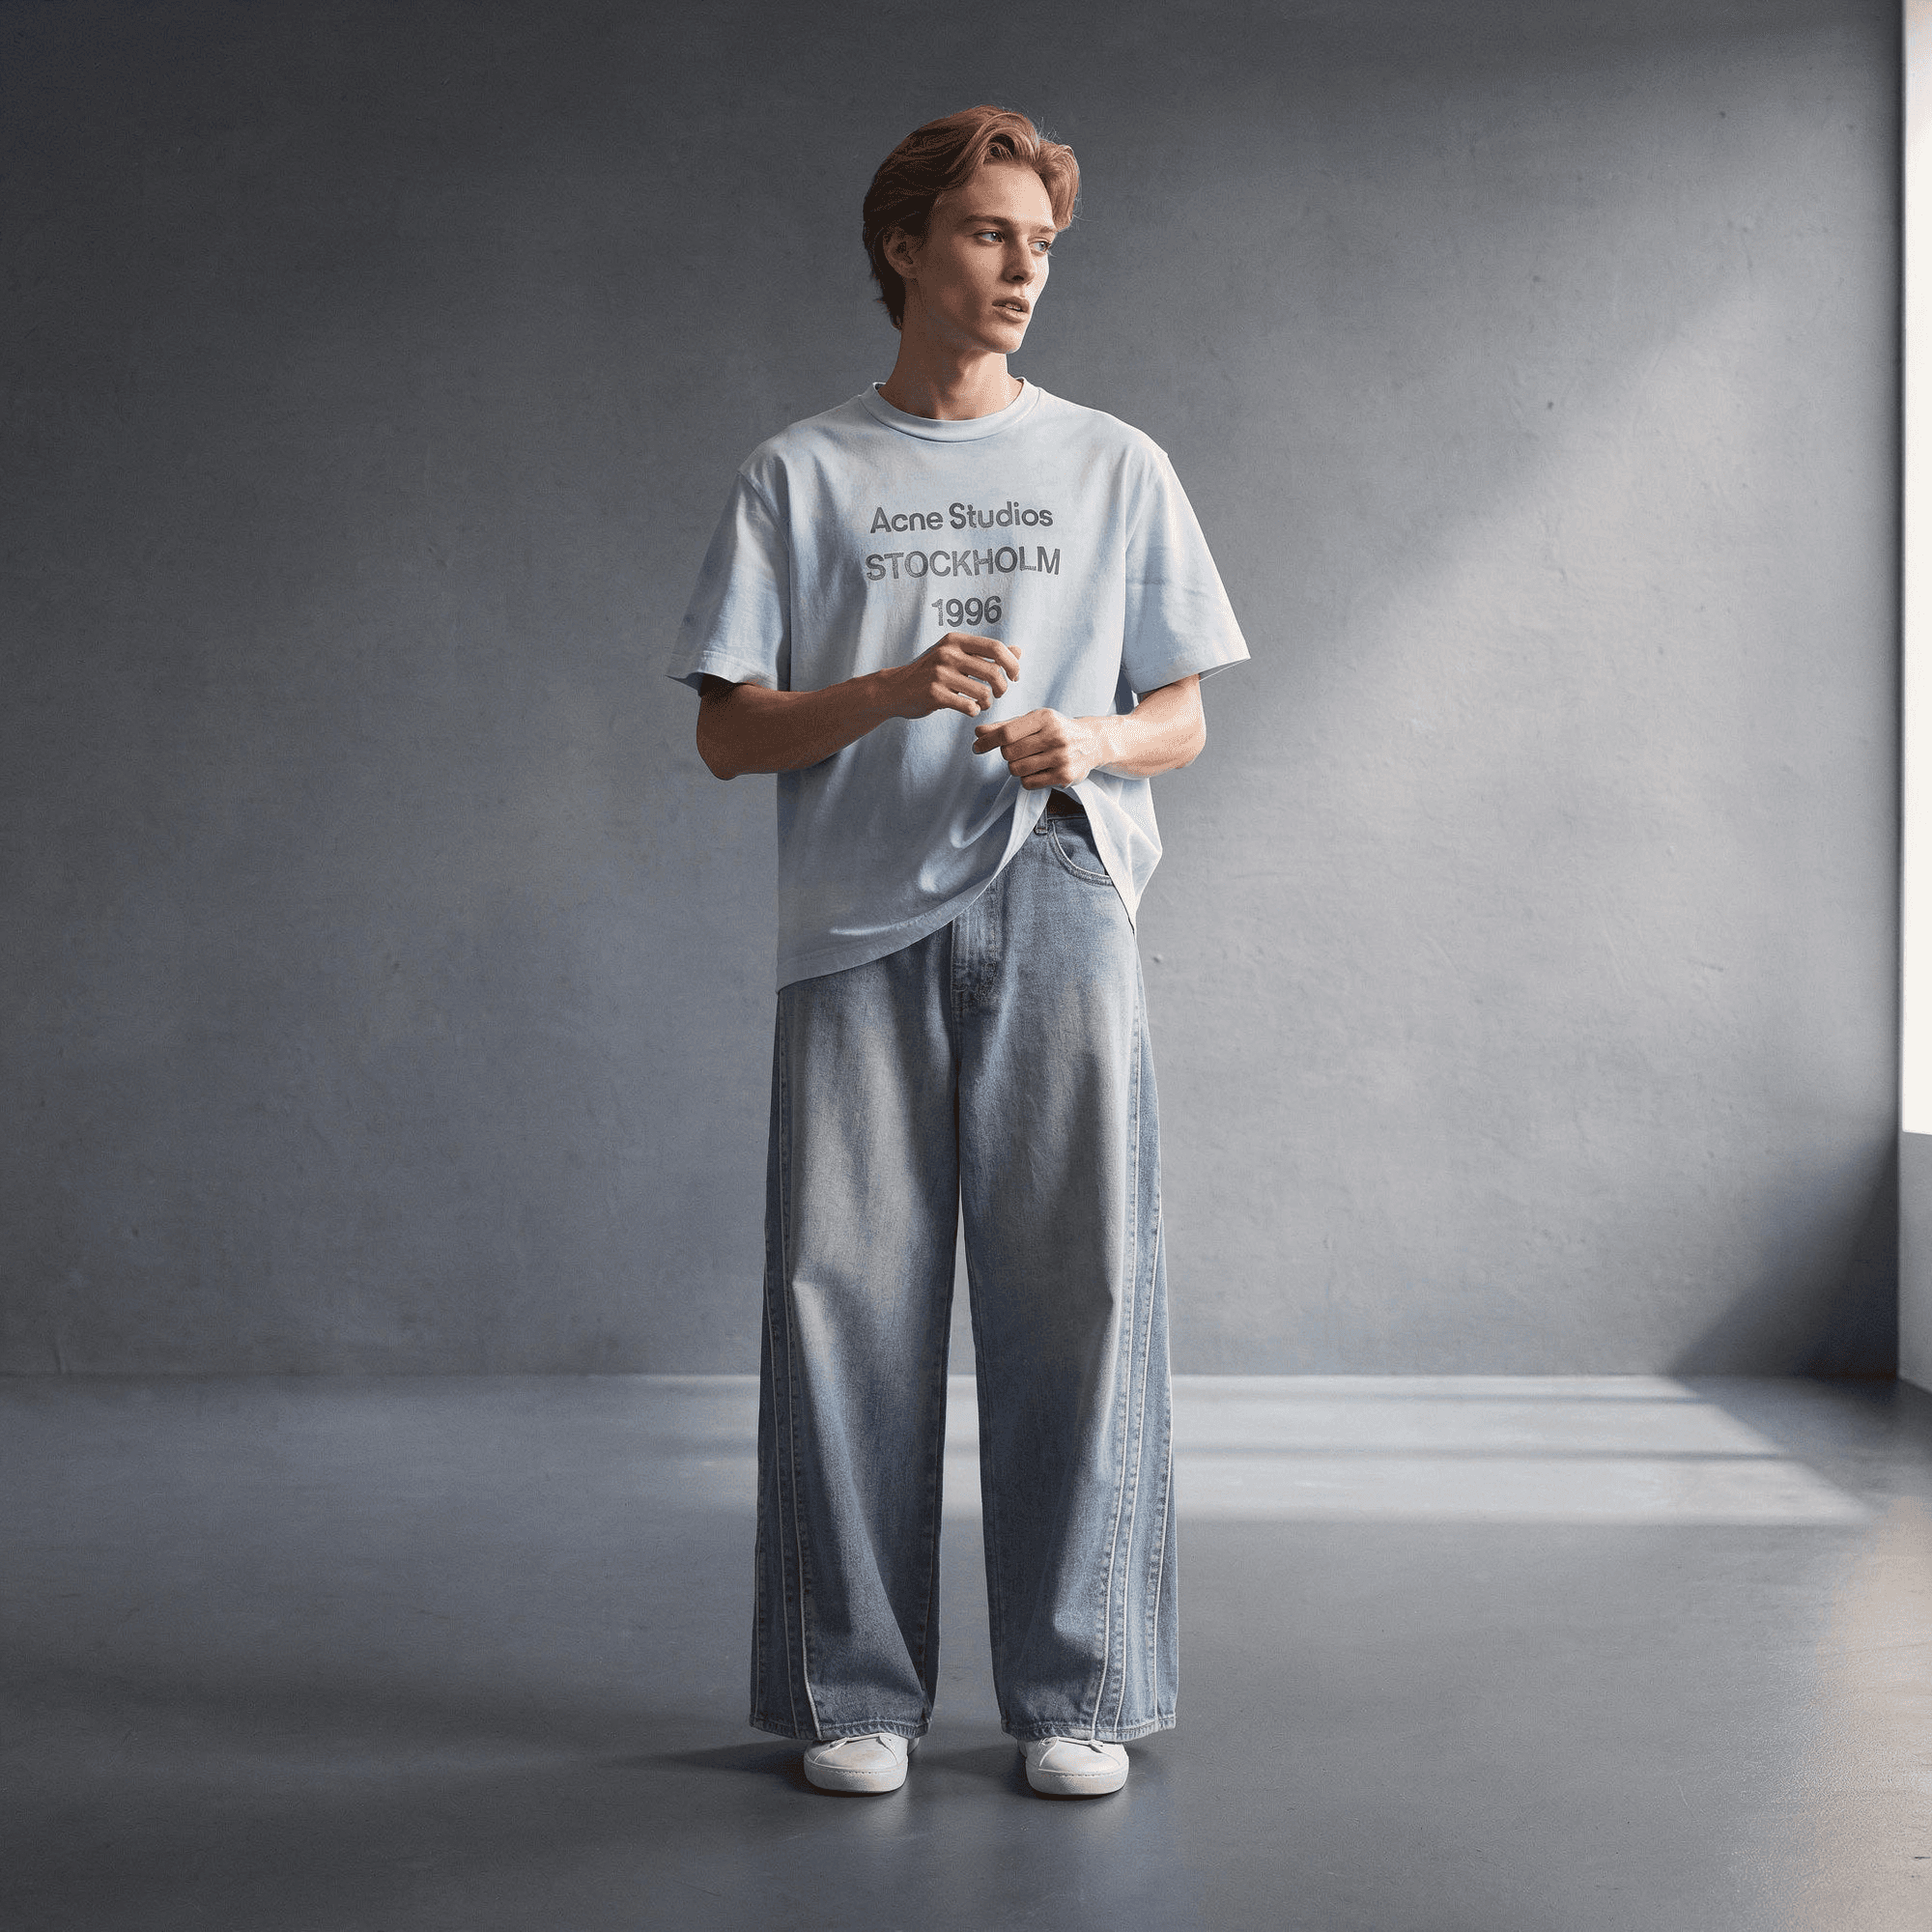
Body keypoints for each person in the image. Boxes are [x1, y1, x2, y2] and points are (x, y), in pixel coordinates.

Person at [669, 104, 1247, 1799]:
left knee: (1082, 1289)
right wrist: (886, 691)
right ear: (908, 246)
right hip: (852, 924)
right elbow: (726, 738)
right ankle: (855, 1692)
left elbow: (1186, 718)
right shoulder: (803, 472)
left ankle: (1077, 1692)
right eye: (990, 236)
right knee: (843, 1298)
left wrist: (1093, 743)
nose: (1020, 273)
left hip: (1058, 892)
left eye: (1042, 247)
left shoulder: (1114, 463)